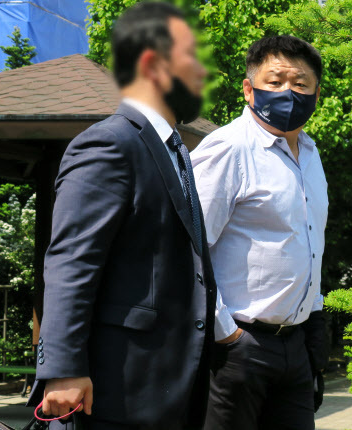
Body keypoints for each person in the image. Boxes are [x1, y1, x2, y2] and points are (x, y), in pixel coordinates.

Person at [26, 3, 216, 429]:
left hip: (166, 389)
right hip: (114, 393)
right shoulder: (110, 143)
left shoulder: (177, 152)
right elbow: (73, 260)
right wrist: (63, 368)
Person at [191, 35, 329, 430]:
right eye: (275, 81)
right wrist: (226, 335)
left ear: (316, 94)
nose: (289, 92)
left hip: (295, 348)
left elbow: (310, 245)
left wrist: (314, 328)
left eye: (300, 83)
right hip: (237, 348)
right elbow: (188, 247)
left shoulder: (311, 155)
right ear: (249, 90)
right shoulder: (228, 148)